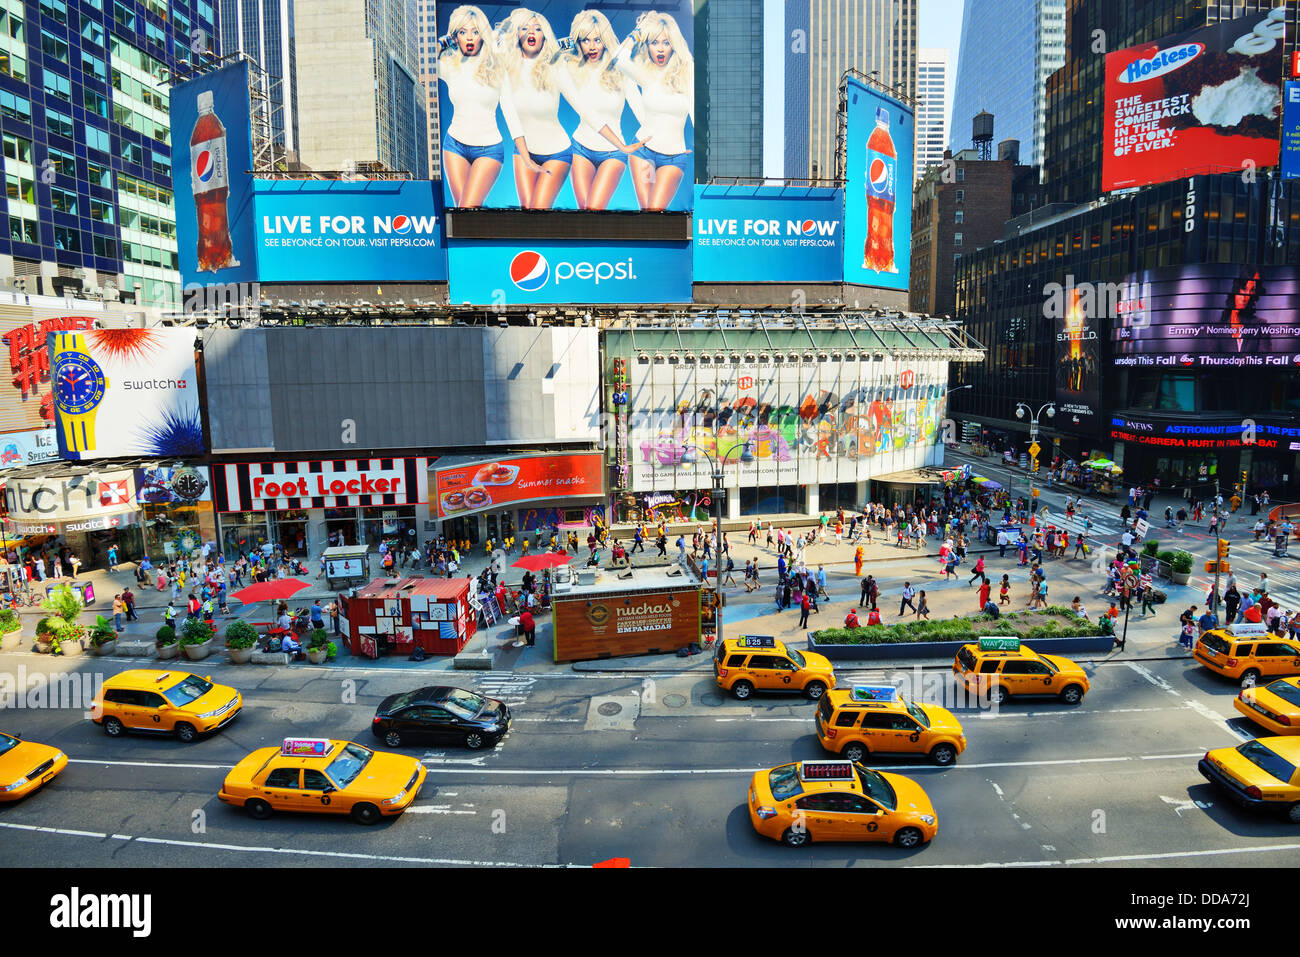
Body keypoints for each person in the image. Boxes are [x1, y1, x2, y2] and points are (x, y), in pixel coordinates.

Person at [613, 11, 693, 211]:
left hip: (673, 156)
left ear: (674, 45)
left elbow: (698, 114)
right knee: (646, 215)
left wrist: (701, 147)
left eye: (666, 43)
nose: (660, 49)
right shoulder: (646, 73)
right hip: (643, 152)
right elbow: (618, 58)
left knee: (655, 210)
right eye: (654, 42)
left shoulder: (687, 72)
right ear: (647, 45)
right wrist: (639, 31)